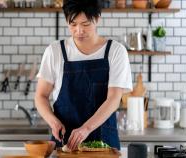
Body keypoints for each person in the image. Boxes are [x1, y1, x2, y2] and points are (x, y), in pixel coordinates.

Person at [35, 0, 132, 151]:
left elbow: (114, 99)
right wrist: (53, 122)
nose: (79, 30)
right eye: (73, 24)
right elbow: (40, 96)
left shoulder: (116, 51)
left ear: (97, 19)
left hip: (104, 143)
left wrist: (85, 129)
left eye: (85, 24)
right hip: (66, 142)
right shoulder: (55, 51)